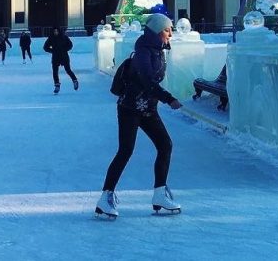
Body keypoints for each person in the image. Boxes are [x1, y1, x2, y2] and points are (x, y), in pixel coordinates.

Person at [96, 13, 182, 218]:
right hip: (130, 108)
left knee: (165, 144)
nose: (171, 33)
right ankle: (105, 198)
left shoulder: (158, 50)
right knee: (126, 150)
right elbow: (146, 81)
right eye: (166, 29)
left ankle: (160, 194)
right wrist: (169, 99)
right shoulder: (144, 52)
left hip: (147, 108)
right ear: (155, 31)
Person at [42, 27, 77, 94]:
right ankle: (57, 85)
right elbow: (45, 47)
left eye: (56, 31)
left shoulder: (64, 37)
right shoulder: (51, 38)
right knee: (55, 72)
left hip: (64, 56)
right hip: (55, 57)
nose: (55, 32)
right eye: (54, 31)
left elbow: (70, 45)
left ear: (59, 31)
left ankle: (75, 80)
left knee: (68, 70)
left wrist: (64, 50)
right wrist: (52, 51)